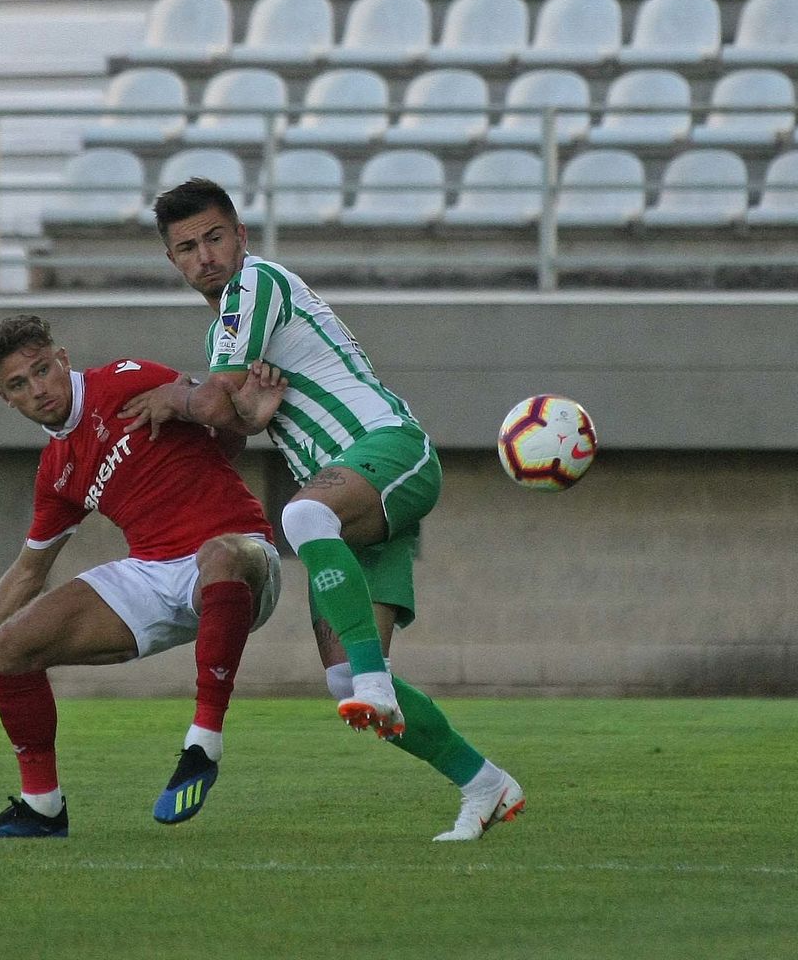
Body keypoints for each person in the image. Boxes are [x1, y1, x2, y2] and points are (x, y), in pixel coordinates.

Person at [117, 177, 524, 842]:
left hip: (389, 450)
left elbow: (214, 404)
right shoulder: (231, 319)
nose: (206, 256)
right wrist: (255, 413)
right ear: (173, 261)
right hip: (348, 493)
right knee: (346, 681)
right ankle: (485, 785)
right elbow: (235, 418)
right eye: (187, 247)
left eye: (215, 237)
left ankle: (378, 680)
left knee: (302, 520)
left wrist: (175, 394)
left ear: (241, 236)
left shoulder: (255, 283)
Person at [0, 314, 287, 838]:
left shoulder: (126, 378)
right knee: (13, 646)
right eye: (19, 385)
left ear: (63, 359)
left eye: (42, 370)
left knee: (220, 555)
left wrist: (243, 416)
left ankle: (202, 745)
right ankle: (41, 808)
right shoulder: (56, 471)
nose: (38, 389)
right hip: (155, 572)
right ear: (7, 400)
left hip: (242, 555)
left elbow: (221, 428)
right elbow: (28, 573)